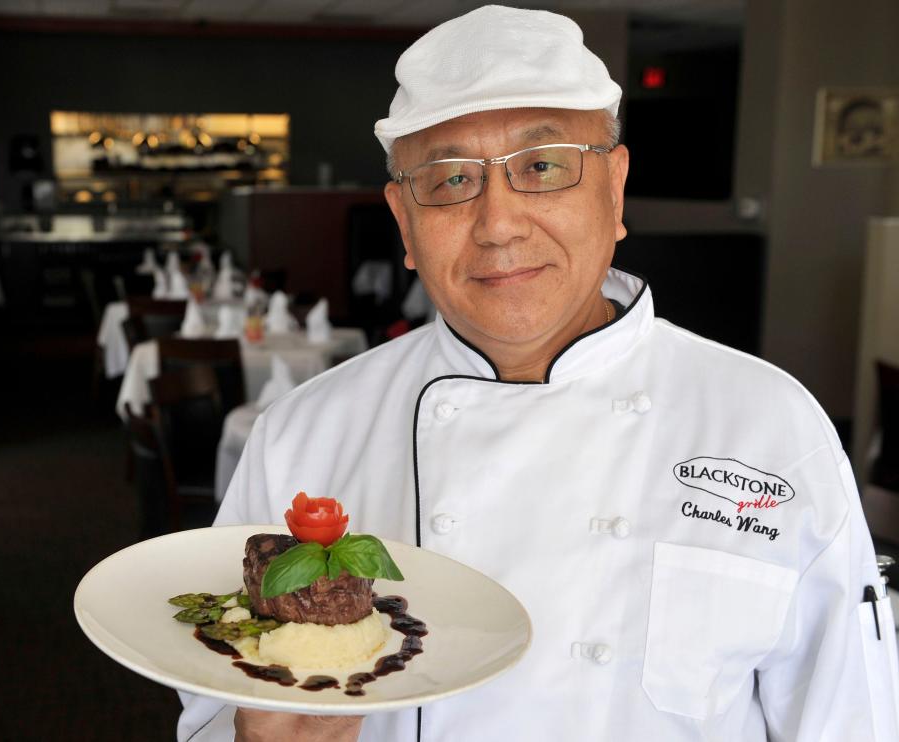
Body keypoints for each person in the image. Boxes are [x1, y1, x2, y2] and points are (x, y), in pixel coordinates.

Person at [179, 6, 899, 741]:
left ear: (614, 190)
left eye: (543, 166)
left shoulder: (771, 425)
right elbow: (209, 706)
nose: (498, 223)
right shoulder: (302, 433)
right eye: (450, 178)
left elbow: (855, 719)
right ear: (404, 222)